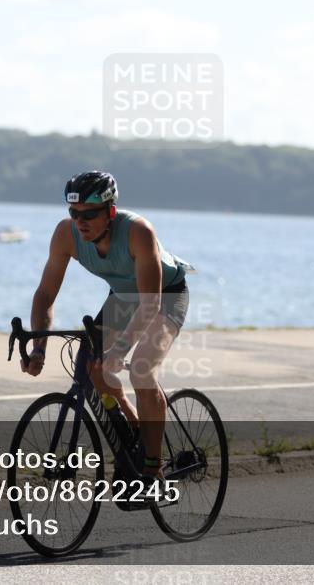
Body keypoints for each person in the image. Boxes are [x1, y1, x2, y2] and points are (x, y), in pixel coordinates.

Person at [21, 170, 191, 485]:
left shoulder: (138, 231)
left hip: (164, 296)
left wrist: (121, 349)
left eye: (90, 214)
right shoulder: (65, 234)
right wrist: (39, 347)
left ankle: (153, 470)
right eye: (73, 213)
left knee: (141, 369)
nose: (80, 221)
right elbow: (45, 294)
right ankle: (133, 421)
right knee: (89, 367)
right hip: (124, 298)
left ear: (110, 211)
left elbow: (150, 305)